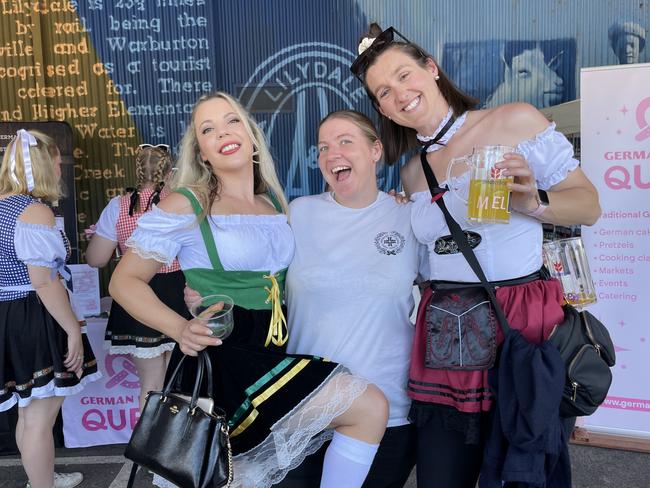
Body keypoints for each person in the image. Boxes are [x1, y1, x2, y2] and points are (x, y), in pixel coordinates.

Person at [351, 23, 601, 488]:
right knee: (442, 476)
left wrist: (532, 203)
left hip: (517, 322)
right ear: (381, 107)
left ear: (431, 68)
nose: (399, 94)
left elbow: (589, 205)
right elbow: (431, 256)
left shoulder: (512, 121)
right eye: (383, 91)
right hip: (448, 331)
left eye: (405, 75)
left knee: (520, 472)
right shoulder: (410, 172)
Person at [108, 91, 388, 488]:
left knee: (241, 478)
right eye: (208, 129)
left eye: (231, 121)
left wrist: (390, 207)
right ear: (203, 153)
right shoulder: (189, 203)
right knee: (368, 407)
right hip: (225, 352)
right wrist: (179, 328)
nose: (223, 132)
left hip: (272, 344)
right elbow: (124, 281)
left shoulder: (273, 200)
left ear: (251, 135)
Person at [268, 110, 426, 487]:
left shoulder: (409, 217)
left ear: (375, 150)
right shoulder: (300, 213)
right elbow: (255, 276)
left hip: (388, 412)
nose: (331, 153)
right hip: (305, 408)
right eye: (323, 147)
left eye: (344, 142)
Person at [0, 130, 102, 488]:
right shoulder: (35, 211)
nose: (60, 169)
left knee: (28, 414)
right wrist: (73, 328)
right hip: (35, 312)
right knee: (39, 417)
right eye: (57, 163)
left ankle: (39, 479)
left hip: (9, 312)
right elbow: (43, 280)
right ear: (43, 167)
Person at [85, 144, 187, 410]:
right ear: (169, 170)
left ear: (137, 169)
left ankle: (152, 448)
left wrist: (110, 239)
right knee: (181, 383)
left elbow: (95, 259)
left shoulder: (117, 207)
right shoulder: (181, 202)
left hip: (136, 294)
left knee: (151, 384)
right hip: (180, 292)